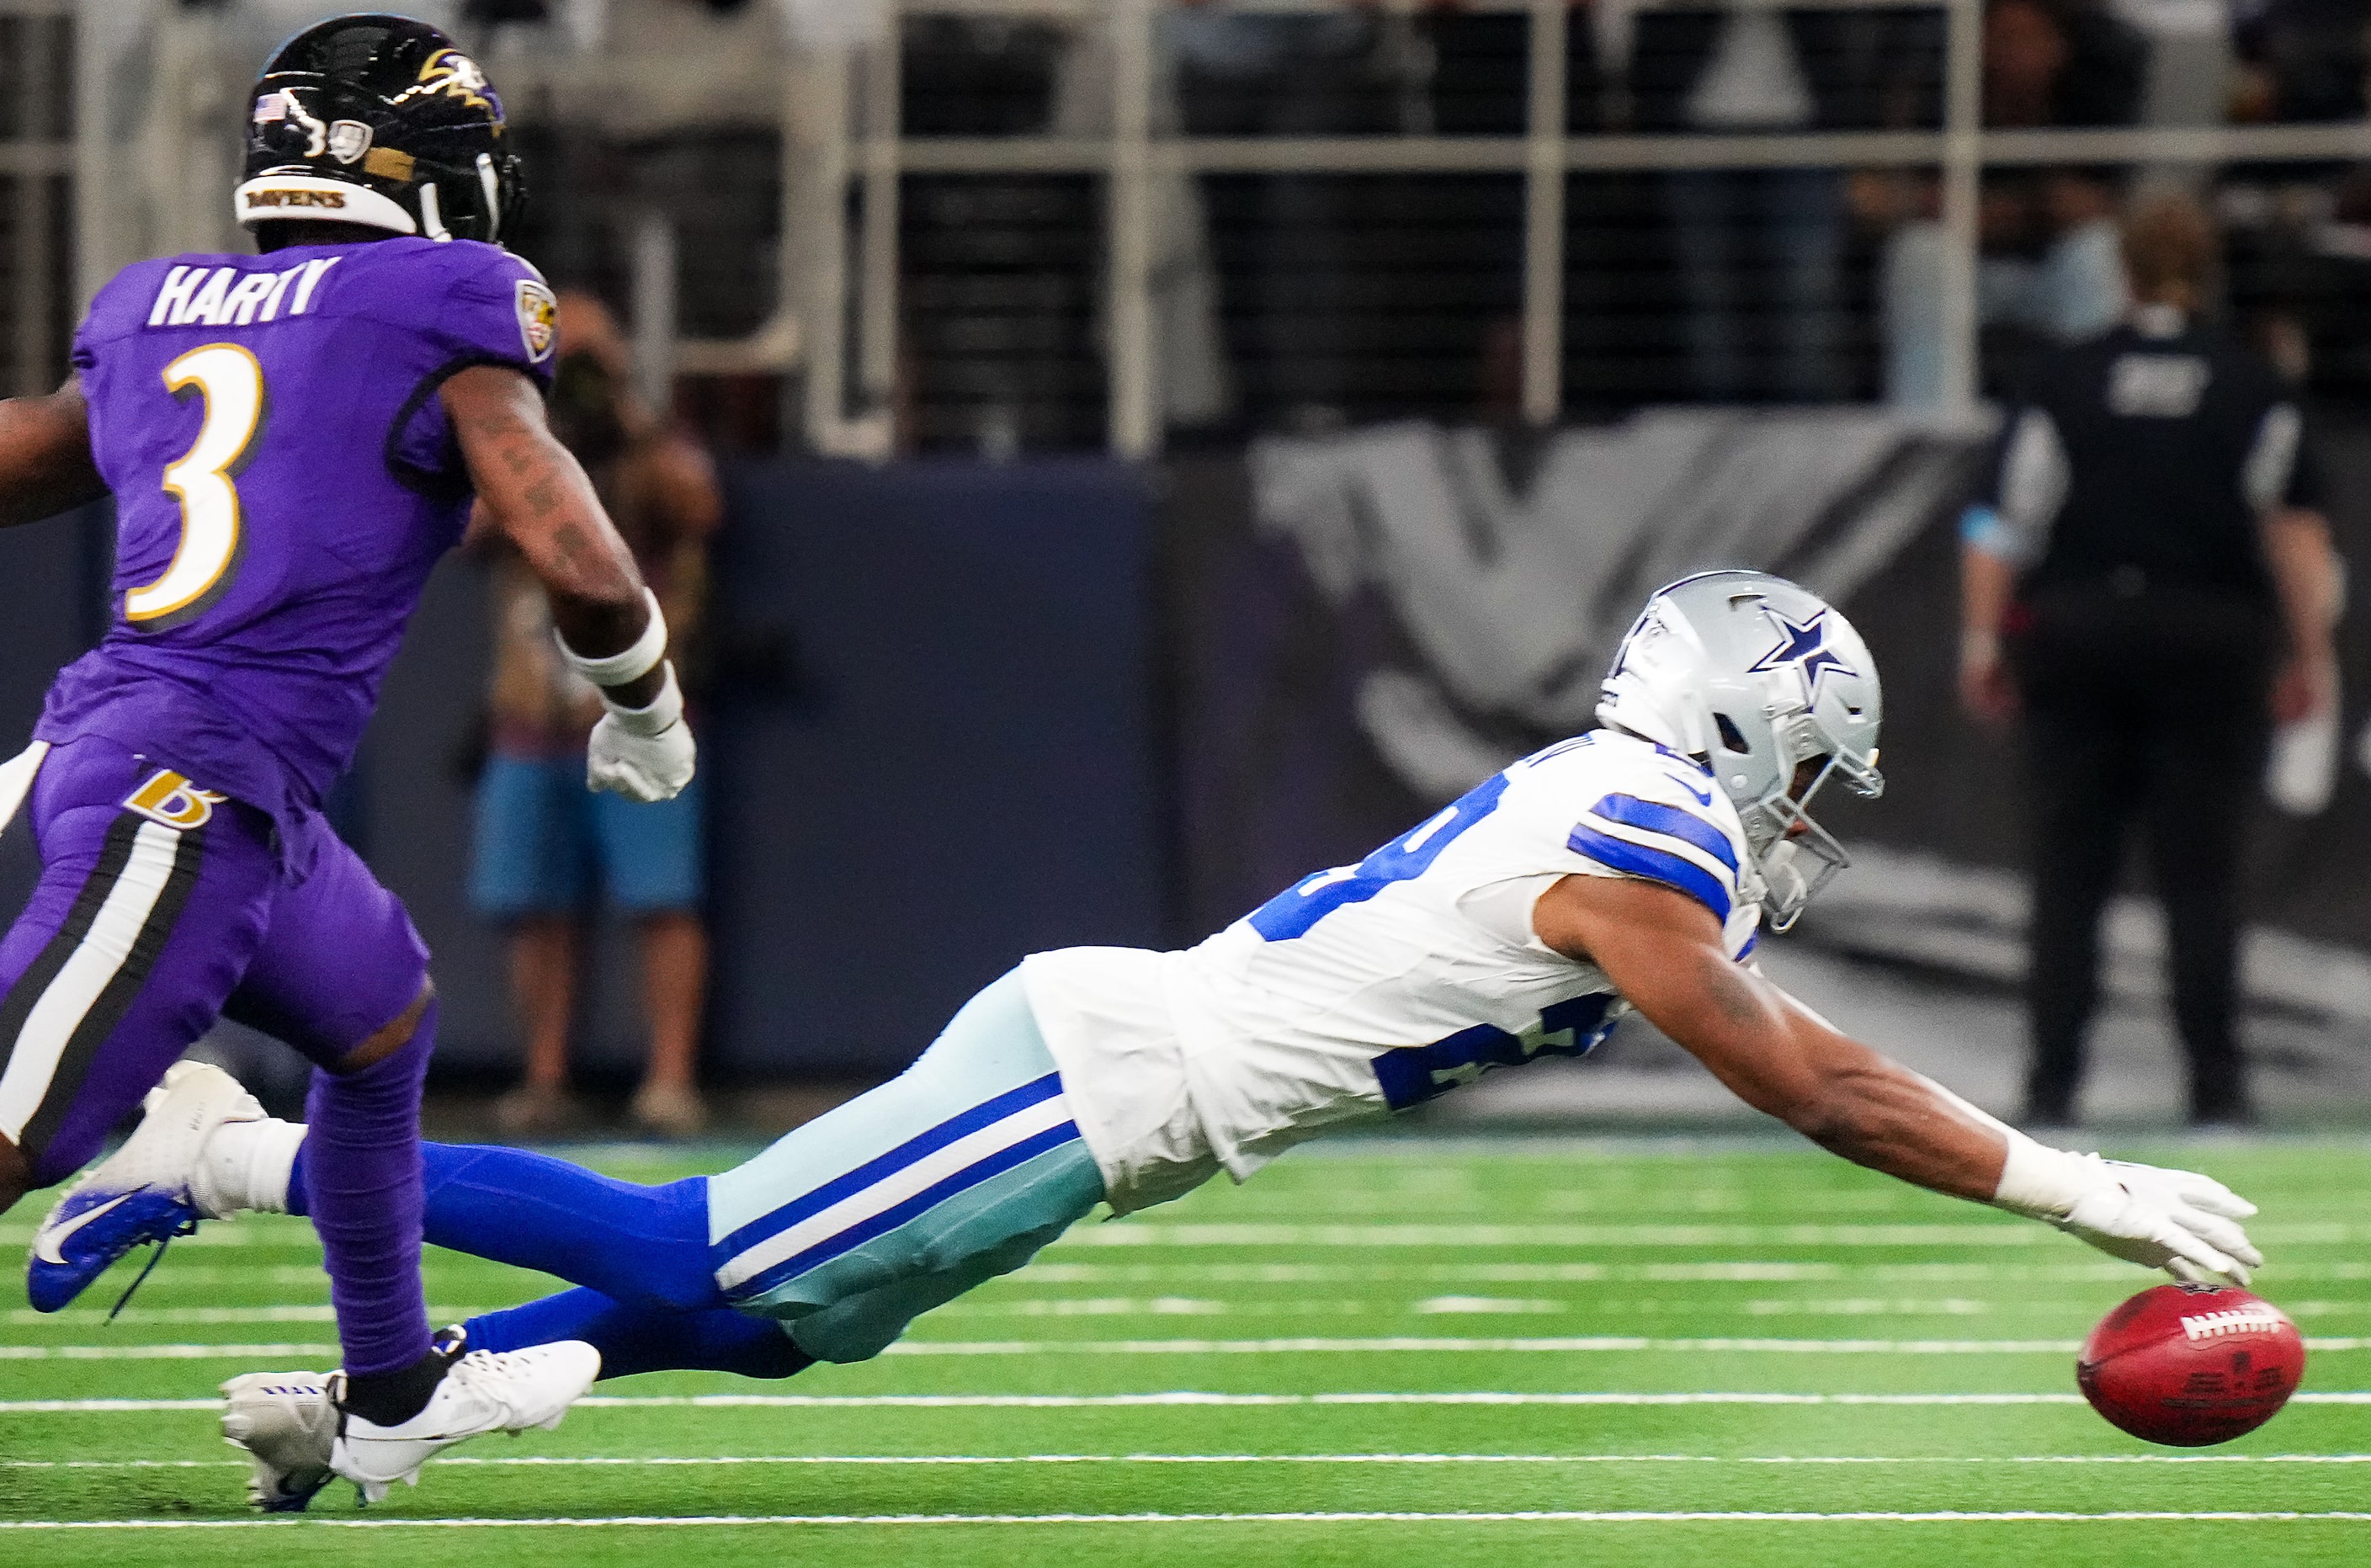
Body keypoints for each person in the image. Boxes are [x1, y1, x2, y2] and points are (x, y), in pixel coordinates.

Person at [47, 572, 2263, 1511]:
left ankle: (407, 1403)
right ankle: (225, 1150)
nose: (1805, 819)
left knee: (794, 1325)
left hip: (1123, 1084)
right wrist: (2056, 1178)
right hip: (1103, 1069)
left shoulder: (1628, 805)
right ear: (1738, 733)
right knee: (698, 1245)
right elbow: (1806, 1075)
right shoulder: (1637, 842)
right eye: (1806, 770)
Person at [2, 14, 699, 1498]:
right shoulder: (445, 300)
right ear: (436, 171)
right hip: (179, 786)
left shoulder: (155, 306)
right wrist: (645, 706)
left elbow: (25, 459)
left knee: (378, 1020)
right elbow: (576, 559)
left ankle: (389, 1389)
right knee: (15, 1126)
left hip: (224, 787)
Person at [1959, 194, 2341, 1127]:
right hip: (2208, 637)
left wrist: (1981, 635)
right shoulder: (2250, 385)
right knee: (2202, 878)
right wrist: (2311, 654)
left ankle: (2052, 1088)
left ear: (2121, 272)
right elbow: (2293, 533)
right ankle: (2216, 1088)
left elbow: (1998, 522)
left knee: (2068, 874)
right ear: (2204, 272)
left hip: (2080, 631)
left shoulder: (2064, 379)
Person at [470, 290, 720, 1140]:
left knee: (663, 898)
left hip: (639, 709)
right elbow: (465, 531)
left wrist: (624, 414)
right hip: (530, 711)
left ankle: (671, 1079)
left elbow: (699, 507)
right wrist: (530, 428)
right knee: (533, 903)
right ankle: (545, 1077)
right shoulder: (510, 441)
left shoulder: (654, 444)